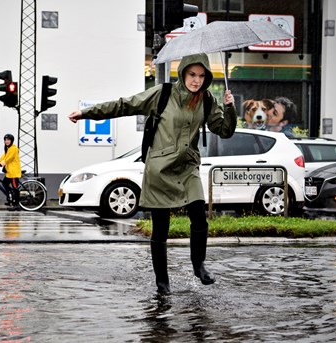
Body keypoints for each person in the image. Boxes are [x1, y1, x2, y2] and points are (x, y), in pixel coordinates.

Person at [68, 53, 236, 294]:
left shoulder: (207, 100)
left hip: (187, 167)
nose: (196, 81)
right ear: (184, 73)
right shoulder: (163, 94)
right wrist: (86, 113)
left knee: (199, 217)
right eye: (192, 74)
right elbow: (124, 104)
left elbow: (224, 130)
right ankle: (162, 282)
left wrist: (230, 107)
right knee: (160, 229)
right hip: (160, 169)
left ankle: (199, 265)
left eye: (201, 76)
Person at [0, 133, 22, 211]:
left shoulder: (14, 149)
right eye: (5, 140)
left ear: (11, 141)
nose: (6, 141)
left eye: (8, 140)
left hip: (14, 172)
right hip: (9, 172)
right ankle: (11, 197)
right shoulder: (8, 148)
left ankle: (17, 205)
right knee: (4, 183)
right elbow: (3, 156)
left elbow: (8, 159)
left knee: (15, 188)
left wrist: (0, 165)